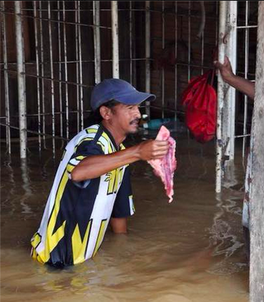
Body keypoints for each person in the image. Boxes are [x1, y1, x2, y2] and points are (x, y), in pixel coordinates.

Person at [30, 78, 169, 268]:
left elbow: (119, 212)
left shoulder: (120, 151)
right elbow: (79, 172)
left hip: (83, 259)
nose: (138, 113)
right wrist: (137, 152)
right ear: (106, 113)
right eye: (129, 107)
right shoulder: (91, 141)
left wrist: (123, 254)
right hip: (54, 259)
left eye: (137, 107)